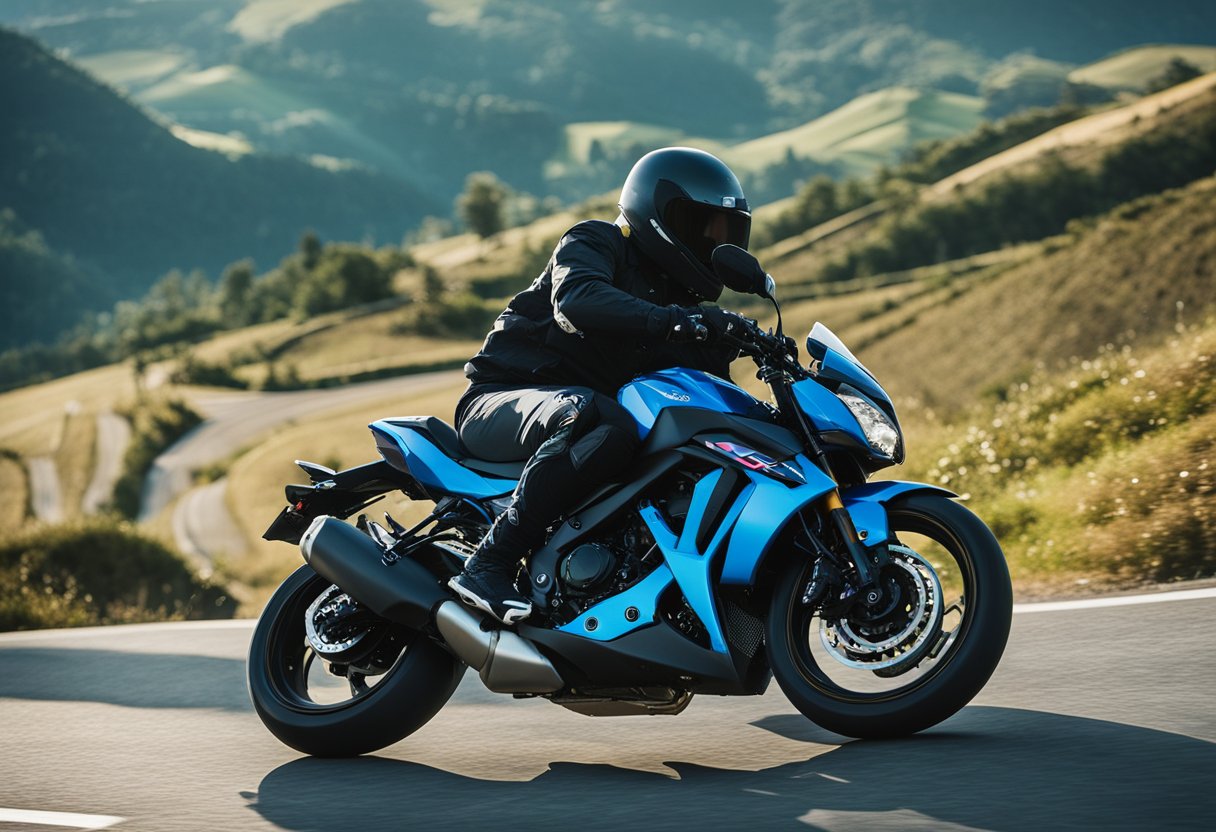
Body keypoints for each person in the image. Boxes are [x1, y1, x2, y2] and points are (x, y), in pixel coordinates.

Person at [448, 147, 753, 624]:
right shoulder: (596, 241)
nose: (715, 243)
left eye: (726, 234)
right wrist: (678, 322)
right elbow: (578, 299)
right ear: (661, 217)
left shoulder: (684, 307)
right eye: (705, 228)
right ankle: (491, 562)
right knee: (602, 419)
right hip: (501, 399)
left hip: (575, 420)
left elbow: (712, 400)